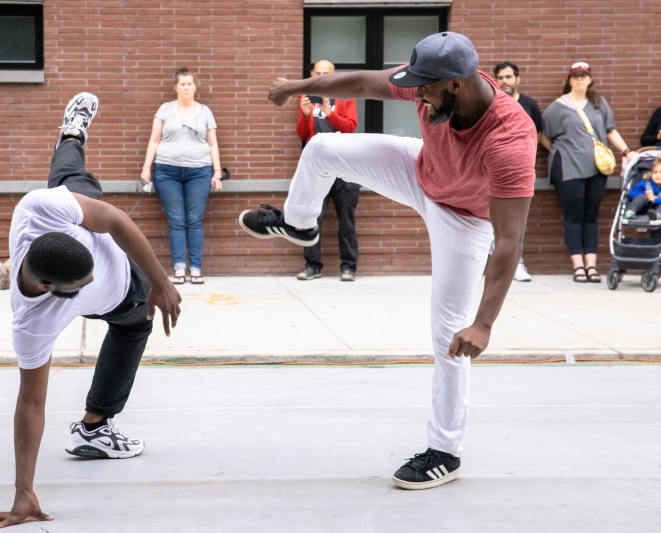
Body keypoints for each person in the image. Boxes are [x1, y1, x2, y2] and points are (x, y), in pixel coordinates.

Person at [239, 32, 536, 490]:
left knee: (449, 336)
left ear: (457, 84)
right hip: (422, 171)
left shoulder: (509, 137)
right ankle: (300, 225)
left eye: (426, 89)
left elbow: (509, 241)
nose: (417, 95)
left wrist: (484, 323)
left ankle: (445, 452)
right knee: (322, 149)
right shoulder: (429, 81)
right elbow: (360, 83)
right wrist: (297, 87)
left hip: (465, 219)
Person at [0, 93, 182, 529]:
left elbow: (113, 221)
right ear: (50, 289)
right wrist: (23, 494)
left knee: (69, 176)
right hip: (121, 296)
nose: (88, 280)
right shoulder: (32, 325)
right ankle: (94, 427)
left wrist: (163, 282)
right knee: (134, 327)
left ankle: (73, 129)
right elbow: (31, 403)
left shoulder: (39, 208)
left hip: (101, 240)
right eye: (80, 287)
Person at [541, 62, 638, 283]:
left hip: (597, 168)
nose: (579, 80)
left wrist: (627, 151)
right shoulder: (558, 107)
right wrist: (561, 151)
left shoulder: (598, 103)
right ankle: (578, 266)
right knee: (574, 216)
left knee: (591, 216)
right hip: (568, 169)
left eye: (584, 76)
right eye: (575, 76)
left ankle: (591, 266)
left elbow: (610, 130)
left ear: (590, 79)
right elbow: (544, 136)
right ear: (569, 80)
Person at [140, 67, 223, 285]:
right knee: (176, 220)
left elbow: (213, 143)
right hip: (167, 172)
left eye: (190, 84)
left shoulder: (205, 111)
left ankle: (195, 269)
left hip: (199, 171)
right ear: (175, 87)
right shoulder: (165, 110)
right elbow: (154, 140)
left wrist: (217, 172)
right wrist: (146, 168)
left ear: (195, 87)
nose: (186, 87)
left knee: (194, 220)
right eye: (182, 84)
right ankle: (179, 268)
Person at [296, 59, 360, 282]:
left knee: (346, 219)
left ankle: (349, 267)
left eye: (326, 73)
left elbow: (350, 127)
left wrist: (328, 111)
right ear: (312, 75)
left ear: (333, 76)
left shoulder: (345, 96)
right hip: (318, 169)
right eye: (318, 72)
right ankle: (313, 265)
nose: (321, 76)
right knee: (312, 218)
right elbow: (303, 135)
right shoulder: (306, 98)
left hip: (344, 167)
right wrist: (305, 115)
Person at [493, 61, 541, 282]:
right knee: (487, 219)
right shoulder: (489, 103)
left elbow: (537, 136)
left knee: (516, 224)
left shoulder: (529, 105)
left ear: (517, 79)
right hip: (490, 171)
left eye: (509, 77)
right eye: (501, 77)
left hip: (519, 175)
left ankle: (516, 265)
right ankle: (491, 265)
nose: (505, 81)